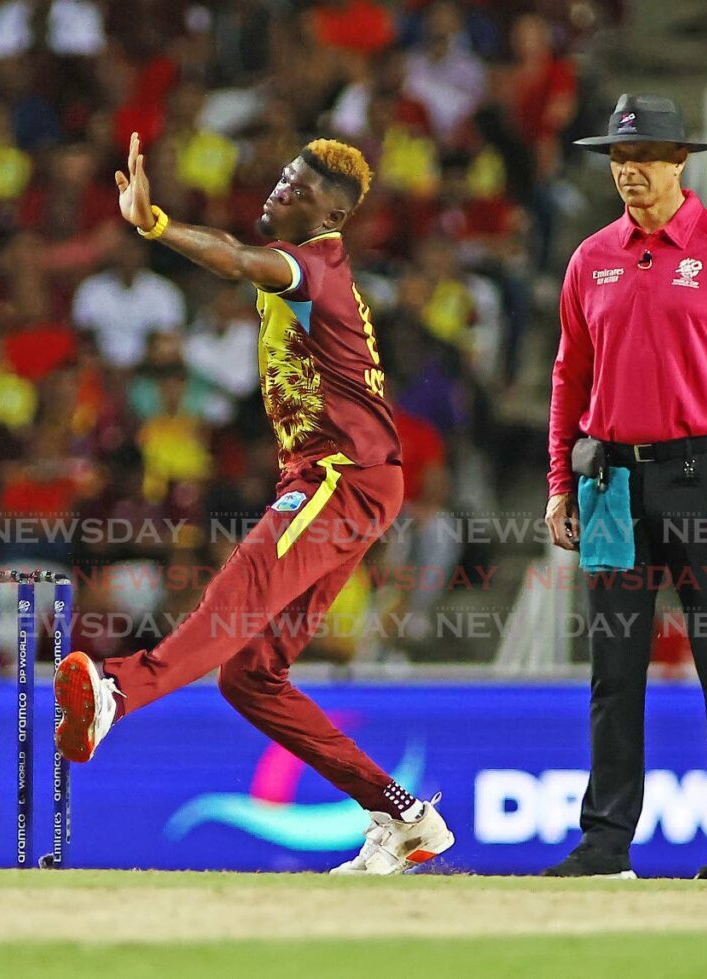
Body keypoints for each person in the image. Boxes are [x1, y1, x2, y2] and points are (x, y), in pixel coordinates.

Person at [53, 131, 455, 874]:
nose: (277, 191)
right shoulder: (306, 274)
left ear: (327, 214)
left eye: (295, 189)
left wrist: (156, 225)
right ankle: (402, 816)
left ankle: (117, 688)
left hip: (340, 476)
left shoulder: (311, 267)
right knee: (251, 675)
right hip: (351, 479)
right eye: (279, 177)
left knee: (234, 600)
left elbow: (239, 258)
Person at [543, 95, 707, 880]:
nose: (629, 172)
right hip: (610, 479)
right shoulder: (592, 257)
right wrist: (558, 483)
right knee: (614, 669)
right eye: (617, 159)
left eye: (643, 157)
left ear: (681, 160)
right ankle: (607, 842)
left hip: (704, 479)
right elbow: (568, 376)